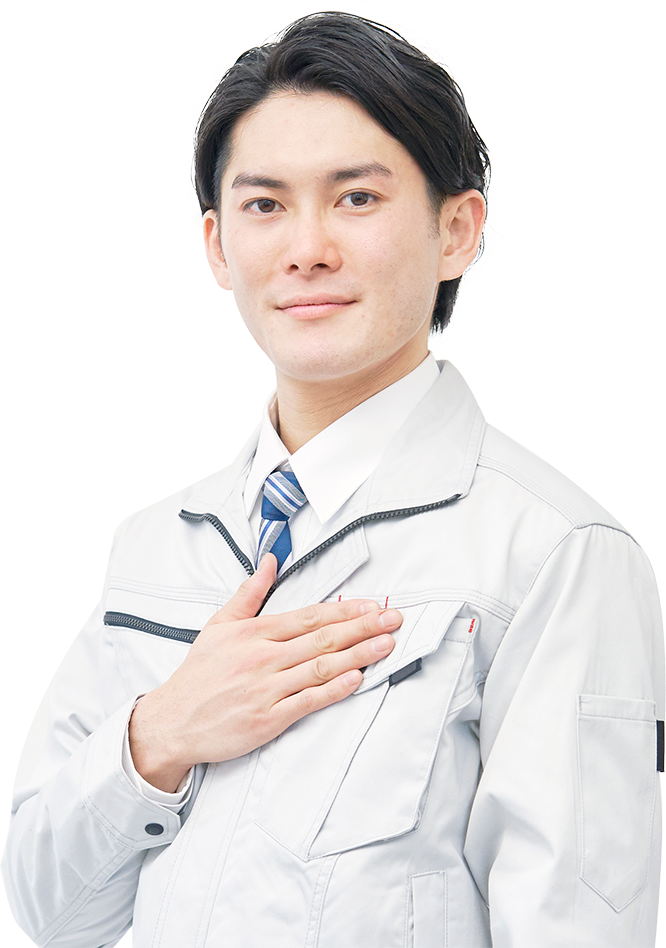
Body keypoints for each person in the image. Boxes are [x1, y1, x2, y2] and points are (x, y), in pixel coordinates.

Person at [3, 11, 664, 948]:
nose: (305, 247)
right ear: (217, 247)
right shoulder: (157, 547)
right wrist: (159, 736)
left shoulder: (553, 557)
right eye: (264, 206)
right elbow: (51, 912)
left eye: (356, 198)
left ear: (457, 230)